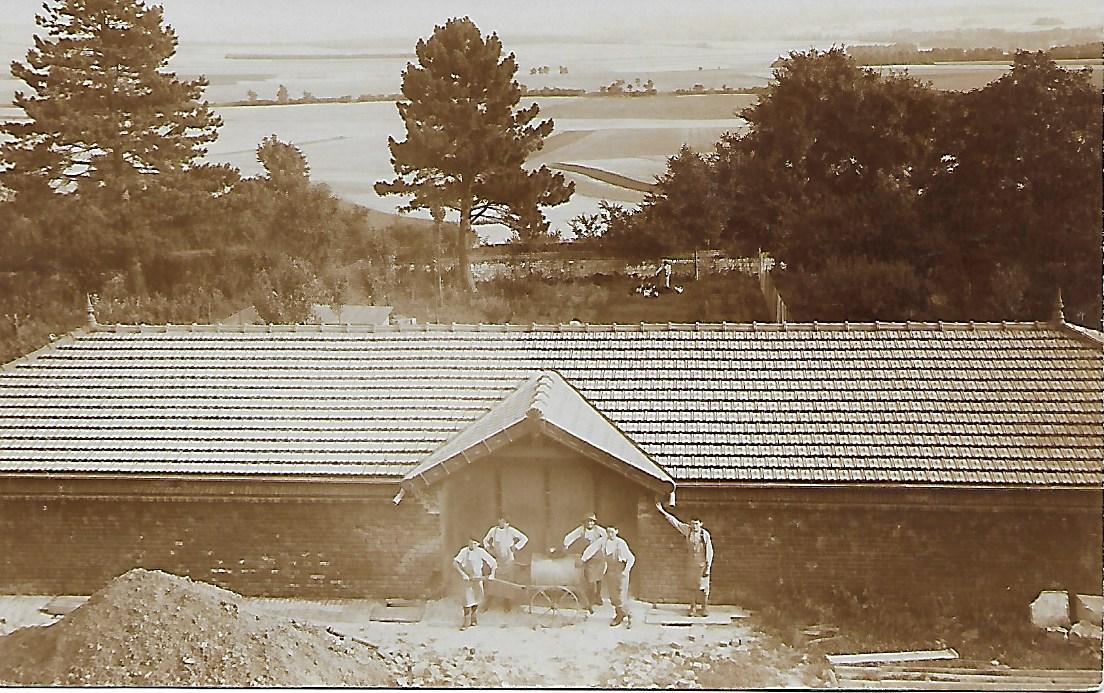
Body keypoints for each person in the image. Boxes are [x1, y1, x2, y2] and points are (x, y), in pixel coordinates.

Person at [656, 501, 714, 616]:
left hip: (702, 565)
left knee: (703, 587)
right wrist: (662, 511)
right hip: (691, 564)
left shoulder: (704, 535)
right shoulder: (688, 530)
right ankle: (693, 607)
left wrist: (708, 567)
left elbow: (709, 551)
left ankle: (704, 608)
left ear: (701, 524)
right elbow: (675, 522)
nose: (694, 526)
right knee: (692, 586)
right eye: (692, 524)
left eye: (696, 524)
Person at [588, 525, 635, 627]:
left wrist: (626, 571)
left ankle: (628, 615)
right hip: (610, 572)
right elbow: (592, 549)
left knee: (620, 597)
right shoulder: (603, 542)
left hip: (620, 572)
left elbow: (631, 558)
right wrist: (583, 559)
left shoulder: (621, 543)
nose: (610, 534)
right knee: (613, 597)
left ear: (616, 531)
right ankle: (620, 614)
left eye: (612, 532)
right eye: (608, 532)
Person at [563, 513, 608, 610]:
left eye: (592, 521)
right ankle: (590, 600)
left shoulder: (599, 530)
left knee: (599, 577)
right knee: (590, 579)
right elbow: (571, 536)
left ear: (594, 522)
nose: (590, 523)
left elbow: (607, 538)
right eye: (588, 521)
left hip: (599, 556)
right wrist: (566, 545)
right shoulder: (581, 530)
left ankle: (598, 596)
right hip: (588, 557)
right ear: (584, 522)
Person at [482, 517, 528, 610]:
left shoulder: (511, 531)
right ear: (498, 521)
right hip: (498, 560)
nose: (502, 523)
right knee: (494, 581)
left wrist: (516, 547)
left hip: (508, 560)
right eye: (500, 520)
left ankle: (507, 603)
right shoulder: (493, 531)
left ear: (507, 523)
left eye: (504, 521)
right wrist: (488, 548)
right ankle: (488, 602)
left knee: (508, 582)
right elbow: (485, 540)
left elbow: (524, 538)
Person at [453, 537, 497, 630]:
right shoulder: (464, 551)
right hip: (467, 579)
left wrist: (492, 574)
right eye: (470, 543)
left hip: (477, 578)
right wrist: (463, 574)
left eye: (474, 544)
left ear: (478, 544)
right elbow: (455, 563)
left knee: (476, 598)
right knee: (467, 600)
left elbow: (493, 562)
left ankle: (473, 618)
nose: (472, 545)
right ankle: (466, 621)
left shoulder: (480, 552)